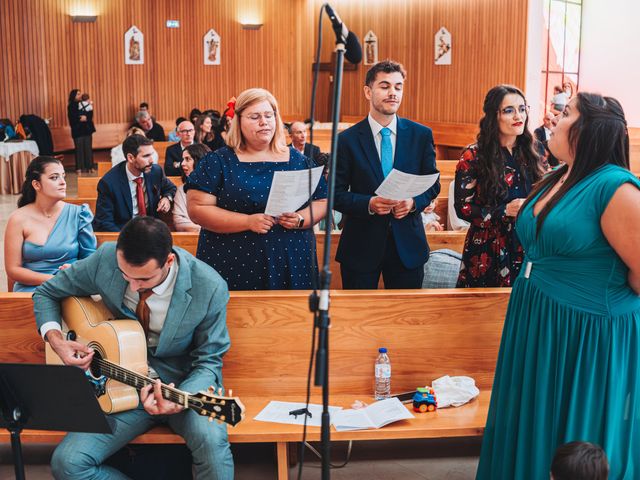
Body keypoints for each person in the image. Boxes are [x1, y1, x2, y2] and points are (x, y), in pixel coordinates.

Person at [476, 93, 640, 479]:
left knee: (572, 434)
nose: (552, 117)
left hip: (584, 335)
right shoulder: (559, 174)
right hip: (537, 321)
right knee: (533, 422)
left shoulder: (615, 189)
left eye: (565, 113)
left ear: (588, 131)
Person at [33, 216, 234, 479]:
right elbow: (47, 292)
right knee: (68, 463)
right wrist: (56, 341)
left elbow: (209, 360)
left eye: (143, 279)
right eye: (125, 274)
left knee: (212, 447)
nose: (132, 285)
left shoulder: (209, 285)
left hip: (183, 387)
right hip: (121, 386)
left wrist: (180, 400)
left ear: (168, 261)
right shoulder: (106, 258)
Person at [185, 88, 328, 290]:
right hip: (233, 260)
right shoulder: (218, 161)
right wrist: (247, 221)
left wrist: (300, 219)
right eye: (255, 117)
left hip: (291, 260)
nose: (264, 122)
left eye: (269, 115)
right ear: (239, 121)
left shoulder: (298, 160)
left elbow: (322, 200)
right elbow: (197, 209)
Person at [334, 60, 440, 289]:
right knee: (359, 319)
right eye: (384, 86)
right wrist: (369, 203)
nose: (393, 93)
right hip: (361, 245)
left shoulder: (420, 135)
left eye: (398, 87)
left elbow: (433, 183)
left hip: (408, 245)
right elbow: (335, 193)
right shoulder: (346, 140)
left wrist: (413, 203)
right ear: (367, 91)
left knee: (406, 319)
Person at [454, 85, 545, 288]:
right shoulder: (474, 155)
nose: (518, 116)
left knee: (526, 310)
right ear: (493, 115)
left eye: (522, 109)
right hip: (488, 246)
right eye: (509, 110)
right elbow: (463, 209)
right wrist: (504, 210)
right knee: (484, 313)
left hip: (527, 242)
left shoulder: (535, 150)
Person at [4, 156, 96, 292]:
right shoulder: (18, 219)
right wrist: (52, 280)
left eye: (63, 176)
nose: (63, 182)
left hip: (69, 285)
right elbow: (13, 269)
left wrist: (75, 270)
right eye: (54, 177)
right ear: (36, 184)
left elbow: (90, 259)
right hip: (31, 288)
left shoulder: (79, 214)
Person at [94, 135, 176, 232]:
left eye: (151, 154)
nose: (151, 160)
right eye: (146, 156)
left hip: (151, 230)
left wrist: (167, 198)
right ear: (130, 158)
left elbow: (171, 188)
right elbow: (104, 222)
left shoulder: (155, 171)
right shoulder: (108, 183)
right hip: (124, 232)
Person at [173, 143, 210, 232]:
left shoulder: (221, 187)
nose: (182, 163)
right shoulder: (182, 190)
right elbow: (180, 222)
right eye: (183, 159)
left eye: (187, 159)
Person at [67, 89, 96, 174]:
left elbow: (90, 113)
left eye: (80, 94)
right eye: (77, 94)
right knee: (79, 149)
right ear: (73, 95)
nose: (79, 95)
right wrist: (80, 118)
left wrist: (86, 118)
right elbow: (71, 117)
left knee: (88, 148)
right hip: (77, 130)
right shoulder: (71, 105)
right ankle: (79, 168)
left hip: (87, 129)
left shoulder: (85, 103)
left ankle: (90, 167)